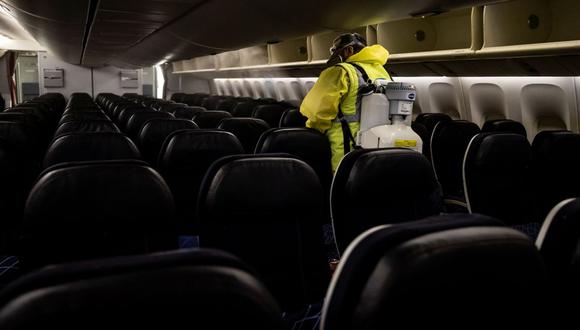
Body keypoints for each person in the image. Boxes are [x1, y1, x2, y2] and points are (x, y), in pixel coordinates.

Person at [300, 33, 391, 171]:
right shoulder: (383, 72)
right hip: (379, 149)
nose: (335, 55)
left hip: (345, 152)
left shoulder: (340, 71)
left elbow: (318, 114)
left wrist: (312, 135)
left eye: (336, 51)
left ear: (349, 50)